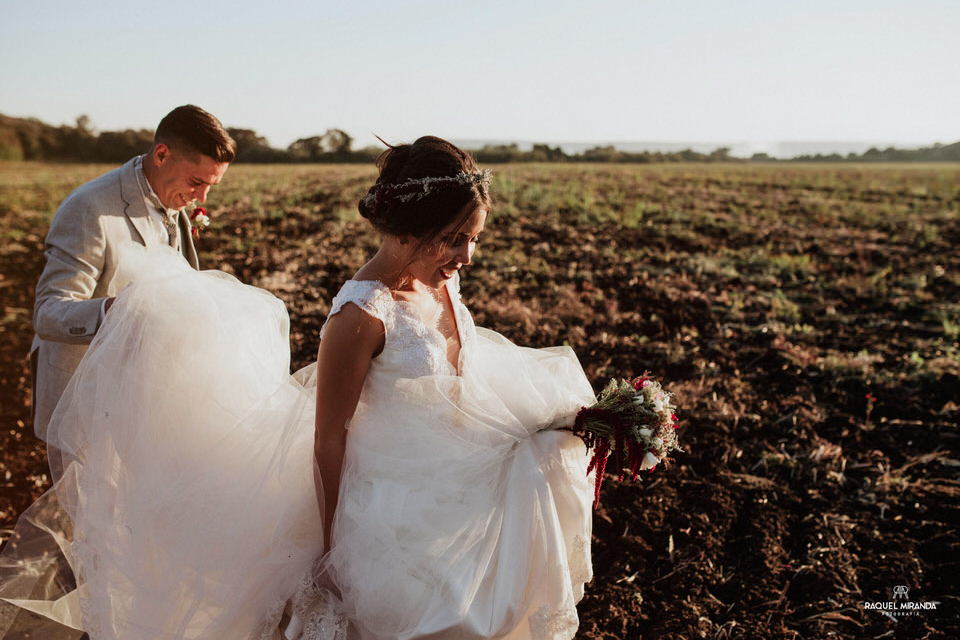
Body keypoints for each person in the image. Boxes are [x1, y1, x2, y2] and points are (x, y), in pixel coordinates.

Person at [1, 137, 595, 640]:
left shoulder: (439, 283)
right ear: (413, 227)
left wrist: (555, 420)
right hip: (383, 507)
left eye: (474, 237)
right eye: (454, 238)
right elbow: (328, 438)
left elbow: (467, 373)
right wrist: (334, 549)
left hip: (447, 477)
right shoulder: (359, 316)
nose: (467, 255)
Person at [30, 104, 235, 446]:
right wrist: (116, 310)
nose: (202, 197)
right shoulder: (90, 209)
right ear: (162, 154)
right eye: (197, 182)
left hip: (145, 398)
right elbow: (47, 314)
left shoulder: (175, 201)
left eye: (211, 185)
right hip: (85, 402)